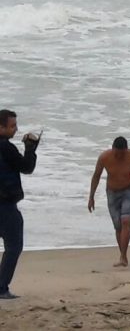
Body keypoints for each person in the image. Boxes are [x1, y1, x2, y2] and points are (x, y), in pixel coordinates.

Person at [88, 136, 130, 268]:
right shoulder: (104, 157)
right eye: (117, 153)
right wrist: (91, 196)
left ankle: (123, 257)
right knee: (118, 226)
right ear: (112, 148)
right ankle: (123, 255)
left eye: (122, 154)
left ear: (126, 150)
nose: (119, 156)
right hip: (112, 192)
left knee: (126, 220)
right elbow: (96, 176)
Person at [0, 109, 39, 299]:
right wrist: (31, 148)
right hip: (5, 206)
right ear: (1, 127)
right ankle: (1, 288)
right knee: (14, 246)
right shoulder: (5, 147)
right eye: (12, 126)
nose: (16, 129)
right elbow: (26, 167)